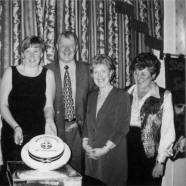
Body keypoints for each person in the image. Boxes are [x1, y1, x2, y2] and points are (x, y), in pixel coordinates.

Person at [0, 36, 56, 165]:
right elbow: (3, 105)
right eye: (27, 51)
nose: (32, 55)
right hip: (13, 134)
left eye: (35, 51)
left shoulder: (48, 75)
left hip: (38, 137)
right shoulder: (10, 72)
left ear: (41, 54)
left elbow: (48, 106)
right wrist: (16, 127)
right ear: (22, 54)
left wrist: (49, 120)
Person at [46, 31, 94, 173]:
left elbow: (99, 97)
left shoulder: (88, 70)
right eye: (63, 45)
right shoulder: (46, 70)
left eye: (71, 46)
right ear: (56, 46)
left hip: (80, 132)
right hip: (55, 130)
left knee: (77, 174)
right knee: (55, 173)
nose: (67, 49)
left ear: (77, 48)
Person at [127, 52, 176, 186]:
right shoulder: (125, 93)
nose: (138, 77)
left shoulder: (164, 96)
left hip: (149, 155)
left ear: (153, 75)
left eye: (143, 74)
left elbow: (168, 131)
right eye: (136, 73)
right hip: (126, 152)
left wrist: (160, 161)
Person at [82, 54, 130, 185]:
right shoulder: (91, 96)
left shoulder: (122, 96)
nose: (99, 76)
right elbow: (87, 123)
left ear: (111, 73)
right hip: (92, 156)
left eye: (103, 71)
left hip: (111, 156)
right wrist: (85, 143)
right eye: (95, 72)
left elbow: (123, 127)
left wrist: (104, 149)